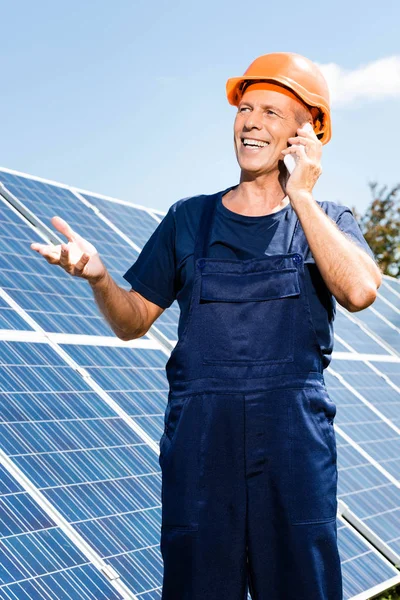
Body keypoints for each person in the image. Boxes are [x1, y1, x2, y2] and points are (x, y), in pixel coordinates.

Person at [31, 52, 381, 600]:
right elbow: (132, 322)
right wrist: (99, 279)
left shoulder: (328, 222)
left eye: (271, 111)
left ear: (304, 133)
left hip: (293, 453)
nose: (251, 122)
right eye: (245, 109)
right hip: (200, 450)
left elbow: (359, 291)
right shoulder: (188, 219)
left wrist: (303, 196)